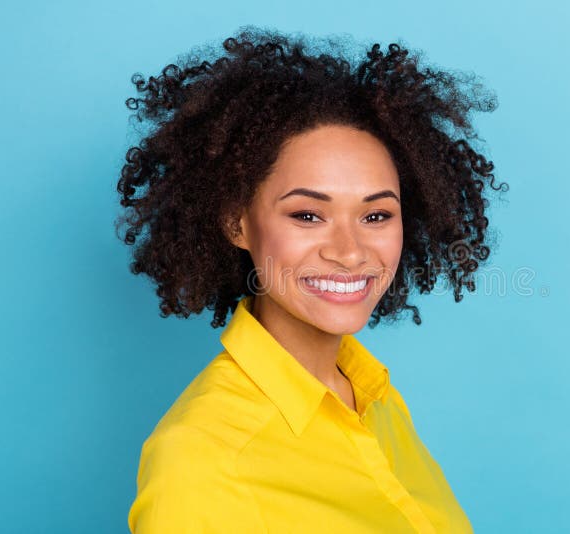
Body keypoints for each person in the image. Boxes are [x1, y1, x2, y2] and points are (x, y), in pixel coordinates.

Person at [117, 25, 507, 533]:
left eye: (376, 216)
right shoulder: (204, 460)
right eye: (307, 215)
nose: (348, 252)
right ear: (237, 222)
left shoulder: (372, 394)